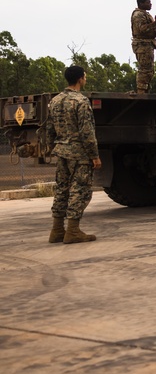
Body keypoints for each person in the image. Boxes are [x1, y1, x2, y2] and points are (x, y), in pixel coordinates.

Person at [44, 65, 102, 244]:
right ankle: (73, 231)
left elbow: (49, 129)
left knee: (62, 189)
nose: (85, 79)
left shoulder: (55, 101)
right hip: (79, 154)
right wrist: (94, 155)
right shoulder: (81, 101)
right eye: (84, 76)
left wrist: (51, 148)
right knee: (80, 190)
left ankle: (57, 230)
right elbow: (87, 132)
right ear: (80, 79)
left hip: (61, 152)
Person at [132, 0, 156, 93]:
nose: (150, 4)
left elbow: (149, 35)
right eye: (148, 2)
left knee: (149, 71)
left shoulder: (145, 14)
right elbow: (142, 30)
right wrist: (155, 23)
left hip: (148, 45)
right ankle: (141, 92)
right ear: (141, 3)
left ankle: (144, 91)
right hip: (142, 47)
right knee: (144, 70)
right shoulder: (138, 15)